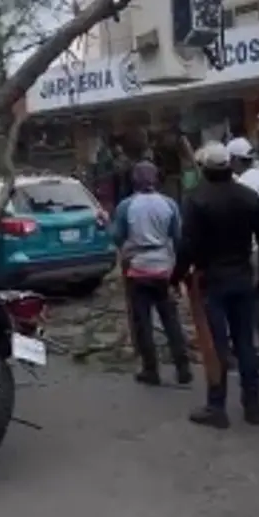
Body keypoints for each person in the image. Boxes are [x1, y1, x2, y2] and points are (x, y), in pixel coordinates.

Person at [171, 142, 259, 428]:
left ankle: (217, 407)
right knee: (245, 344)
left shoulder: (196, 199)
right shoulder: (248, 197)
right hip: (243, 278)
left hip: (211, 282)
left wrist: (176, 276)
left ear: (204, 168)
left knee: (215, 346)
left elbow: (187, 245)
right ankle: (252, 407)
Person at [112, 160, 192, 387]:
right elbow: (178, 238)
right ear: (156, 179)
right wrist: (179, 273)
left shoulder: (126, 206)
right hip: (163, 268)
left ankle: (151, 370)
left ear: (134, 181)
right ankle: (183, 367)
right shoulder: (169, 204)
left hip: (138, 270)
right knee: (171, 319)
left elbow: (117, 237)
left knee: (143, 323)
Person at [226, 137, 259, 361]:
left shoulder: (245, 184)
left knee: (253, 299)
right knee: (258, 296)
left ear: (237, 160)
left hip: (252, 246)